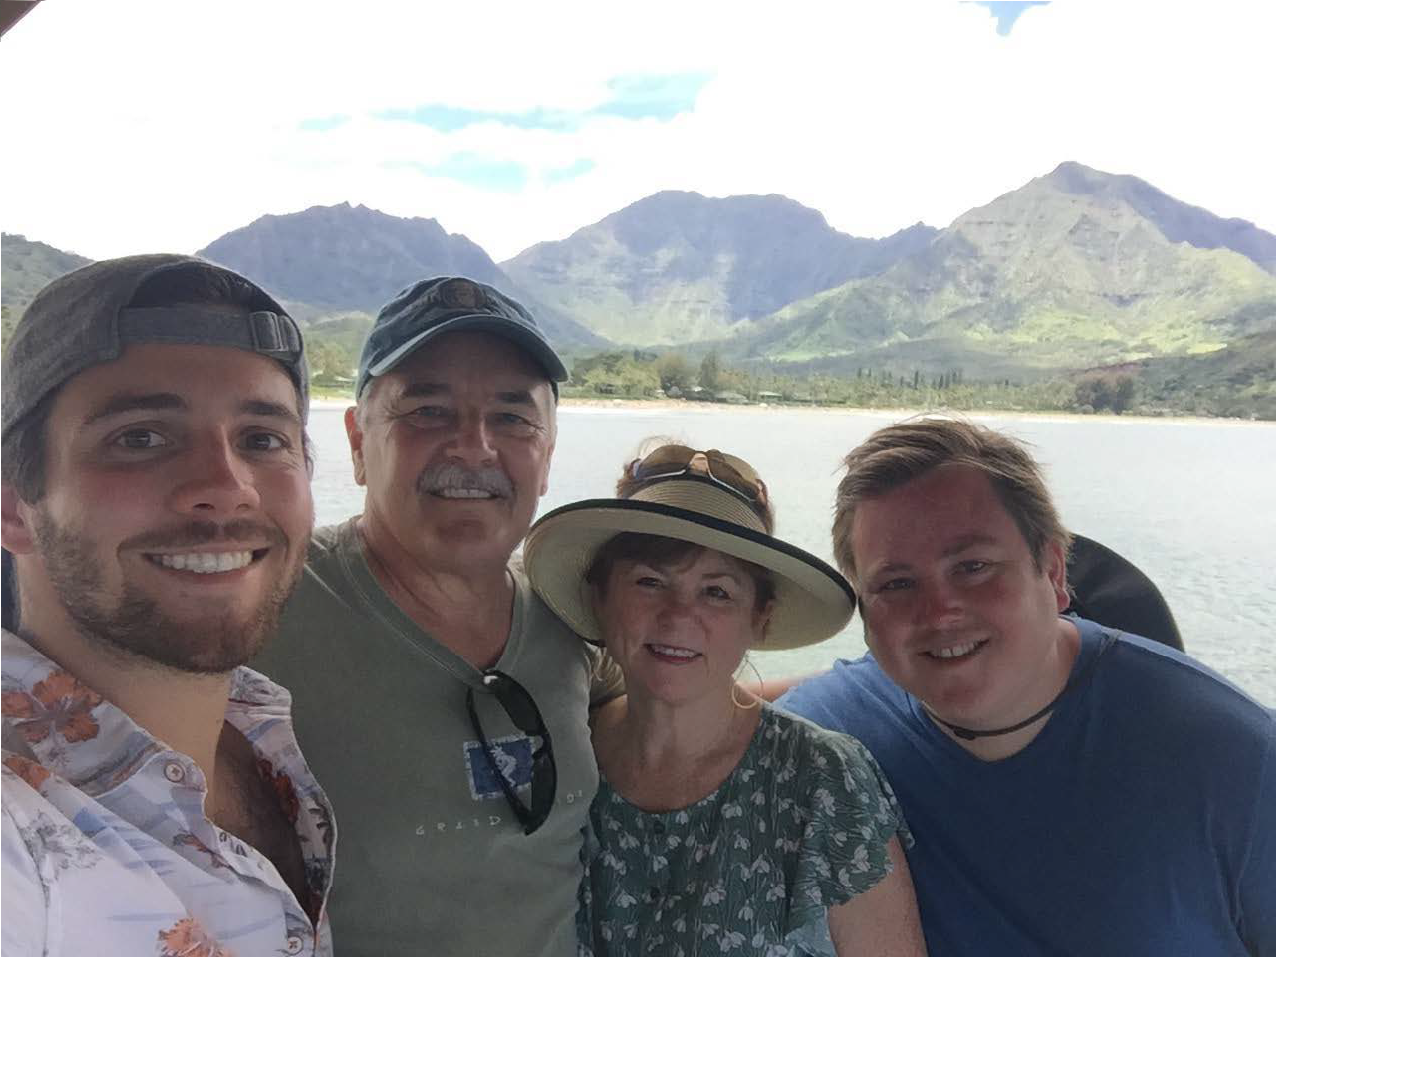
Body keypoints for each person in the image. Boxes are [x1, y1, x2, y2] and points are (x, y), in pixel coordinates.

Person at [777, 418, 1275, 956]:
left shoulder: (1230, 757)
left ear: (1055, 572)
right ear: (866, 611)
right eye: (896, 584)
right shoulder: (829, 739)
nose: (939, 612)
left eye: (973, 567)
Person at [250, 277, 621, 955]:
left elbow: (678, 707)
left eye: (512, 418)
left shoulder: (572, 616)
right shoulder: (262, 604)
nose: (474, 447)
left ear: (546, 455)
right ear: (359, 442)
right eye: (426, 410)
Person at [1, 253, 335, 956]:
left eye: (262, 439)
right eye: (141, 437)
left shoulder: (256, 736)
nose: (224, 484)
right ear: (13, 505)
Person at [524, 442, 926, 955]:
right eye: (649, 581)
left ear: (759, 618)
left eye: (717, 592)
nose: (676, 616)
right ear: (600, 597)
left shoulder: (823, 780)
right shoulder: (559, 754)